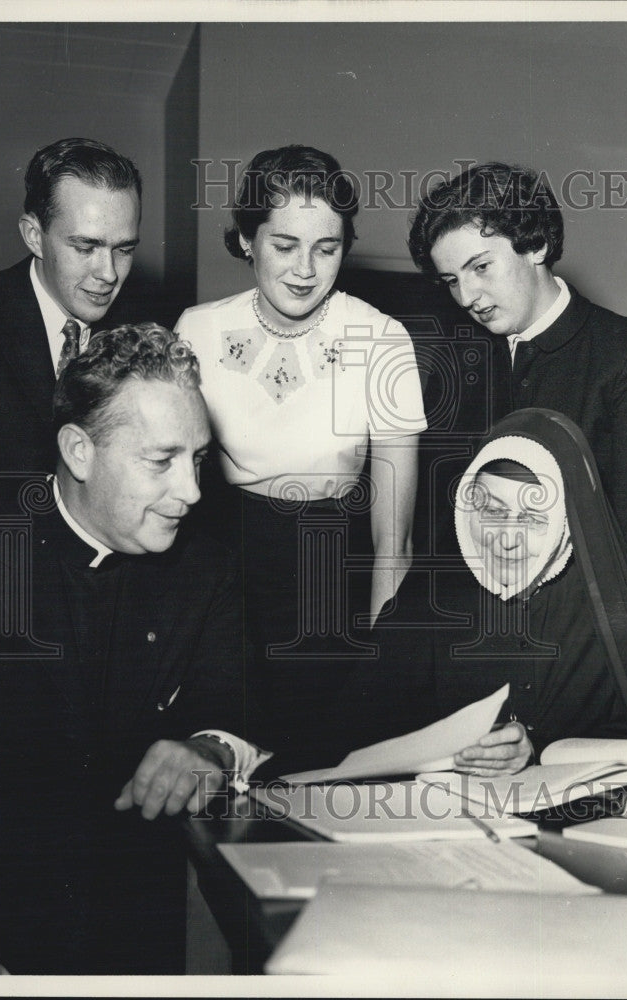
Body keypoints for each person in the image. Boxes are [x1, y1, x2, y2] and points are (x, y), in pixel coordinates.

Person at [0, 324, 266, 975]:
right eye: (160, 460)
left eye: (197, 459)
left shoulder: (207, 566)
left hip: (134, 929)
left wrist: (205, 749)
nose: (193, 491)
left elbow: (237, 704)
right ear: (79, 452)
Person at [176, 145, 426, 766]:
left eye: (327, 247)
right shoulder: (197, 330)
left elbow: (393, 540)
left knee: (319, 767)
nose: (306, 270)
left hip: (331, 570)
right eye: (284, 245)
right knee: (221, 761)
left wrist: (380, 662)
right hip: (223, 563)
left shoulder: (383, 338)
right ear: (245, 239)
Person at [407, 162, 627, 628]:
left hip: (581, 649)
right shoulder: (457, 363)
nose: (466, 297)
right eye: (452, 280)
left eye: (480, 267)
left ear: (536, 244)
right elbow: (440, 534)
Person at [330, 409, 627, 774]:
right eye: (493, 511)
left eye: (532, 517)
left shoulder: (608, 613)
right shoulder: (429, 600)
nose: (506, 539)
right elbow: (351, 735)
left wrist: (537, 746)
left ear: (566, 520)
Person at [0, 136, 142, 477]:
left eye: (124, 249)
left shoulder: (146, 332)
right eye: (85, 247)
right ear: (34, 235)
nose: (108, 274)